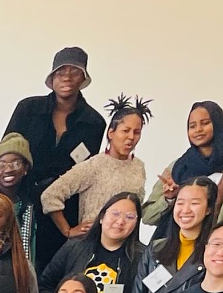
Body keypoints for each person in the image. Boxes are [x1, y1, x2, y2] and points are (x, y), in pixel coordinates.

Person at [2, 47, 108, 271]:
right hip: (23, 197)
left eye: (74, 72)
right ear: (51, 79)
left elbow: (88, 173)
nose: (67, 77)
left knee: (54, 272)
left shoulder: (94, 122)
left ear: (84, 78)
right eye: (61, 72)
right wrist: (0, 196)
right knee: (14, 266)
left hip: (63, 211)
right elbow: (6, 154)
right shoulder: (28, 109)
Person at [40, 94, 152, 249]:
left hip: (125, 248)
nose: (131, 137)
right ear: (111, 133)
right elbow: (50, 195)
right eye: (125, 130)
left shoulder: (139, 167)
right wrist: (68, 231)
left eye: (137, 132)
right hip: (91, 246)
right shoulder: (94, 165)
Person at [143, 100, 223, 234]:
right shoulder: (178, 166)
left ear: (218, 124)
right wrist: (169, 199)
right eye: (192, 126)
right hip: (171, 247)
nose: (198, 130)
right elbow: (148, 217)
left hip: (214, 248)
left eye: (205, 123)